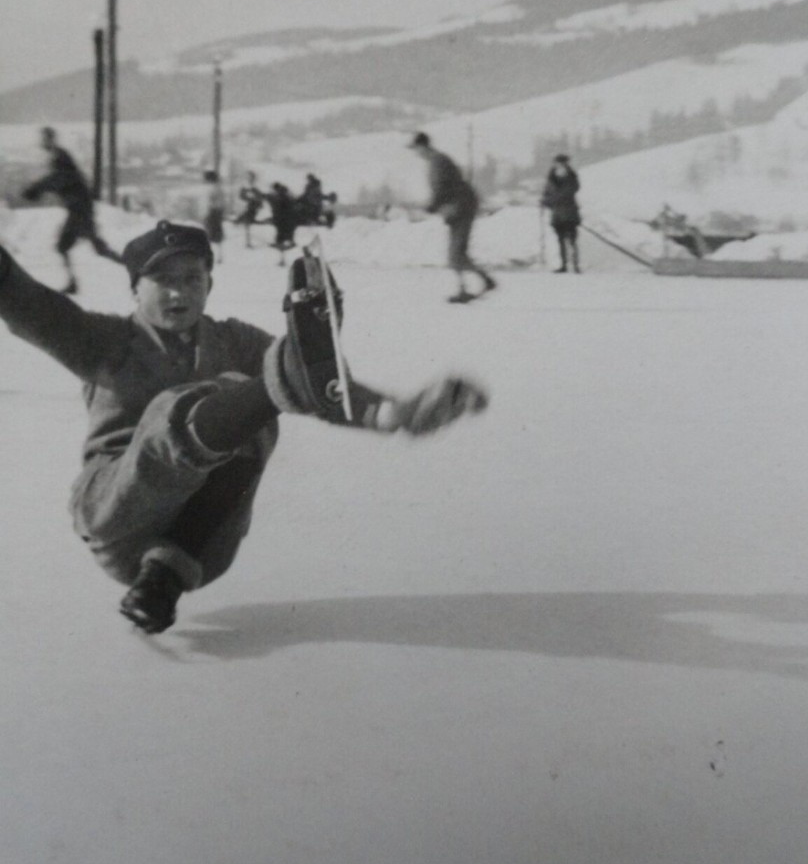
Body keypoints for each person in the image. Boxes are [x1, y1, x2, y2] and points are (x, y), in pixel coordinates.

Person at [0, 220, 488, 635]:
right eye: (162, 280)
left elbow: (326, 386)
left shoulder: (234, 340)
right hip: (119, 515)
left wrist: (392, 414)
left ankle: (163, 581)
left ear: (209, 285)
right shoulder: (106, 342)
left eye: (192, 278)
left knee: (261, 398)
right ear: (134, 289)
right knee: (219, 394)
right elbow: (31, 306)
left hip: (202, 546)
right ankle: (279, 378)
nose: (179, 291)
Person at [21, 126, 122, 294]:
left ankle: (139, 270)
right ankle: (138, 269)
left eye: (44, 138)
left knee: (65, 246)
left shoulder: (59, 156)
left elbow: (61, 179)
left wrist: (36, 188)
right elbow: (59, 180)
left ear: (50, 139)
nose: (42, 142)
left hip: (79, 209)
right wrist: (38, 188)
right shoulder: (58, 155)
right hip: (81, 208)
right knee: (98, 249)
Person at [408, 131, 497, 303]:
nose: (416, 153)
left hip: (461, 208)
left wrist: (431, 206)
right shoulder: (437, 160)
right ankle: (477, 283)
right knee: (456, 254)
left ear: (423, 146)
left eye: (416, 148)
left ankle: (479, 283)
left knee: (455, 254)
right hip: (457, 208)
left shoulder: (438, 162)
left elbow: (441, 189)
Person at [540, 154, 582, 273]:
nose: (560, 165)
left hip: (570, 213)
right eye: (558, 162)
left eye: (562, 163)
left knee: (572, 240)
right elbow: (546, 194)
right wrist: (545, 201)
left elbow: (572, 190)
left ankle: (575, 265)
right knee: (560, 240)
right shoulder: (551, 178)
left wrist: (552, 200)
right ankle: (564, 265)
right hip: (557, 214)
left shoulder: (571, 177)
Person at [266, 182, 298, 262]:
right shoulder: (288, 196)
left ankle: (282, 259)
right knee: (284, 238)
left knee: (281, 238)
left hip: (283, 221)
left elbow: (278, 210)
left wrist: (274, 218)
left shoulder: (280, 197)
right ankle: (287, 245)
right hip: (290, 221)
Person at [235, 171, 265, 249]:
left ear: (254, 179)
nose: (250, 179)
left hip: (252, 210)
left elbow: (260, 203)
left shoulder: (256, 190)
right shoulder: (244, 189)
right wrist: (247, 200)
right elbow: (240, 198)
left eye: (251, 178)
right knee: (245, 221)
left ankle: (248, 241)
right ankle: (247, 241)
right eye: (248, 178)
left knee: (247, 220)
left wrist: (255, 201)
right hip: (244, 208)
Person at [202, 169, 227, 263]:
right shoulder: (219, 187)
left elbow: (209, 202)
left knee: (210, 234)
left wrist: (207, 213)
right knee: (217, 234)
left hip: (213, 212)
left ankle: (212, 256)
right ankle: (219, 256)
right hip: (218, 212)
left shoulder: (212, 188)